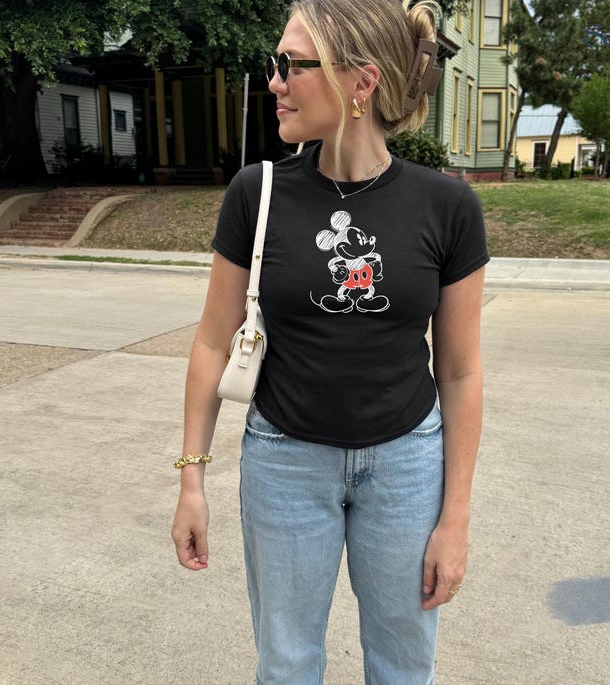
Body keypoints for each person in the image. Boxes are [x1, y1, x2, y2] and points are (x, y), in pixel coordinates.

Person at [171, 0, 489, 681]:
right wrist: (191, 478)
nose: (275, 82)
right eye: (274, 65)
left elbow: (460, 372)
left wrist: (454, 517)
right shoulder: (255, 194)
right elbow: (210, 344)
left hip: (407, 465)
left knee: (404, 667)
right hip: (284, 462)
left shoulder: (448, 207)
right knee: (285, 667)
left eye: (292, 65)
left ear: (360, 83)